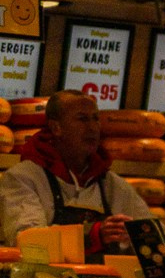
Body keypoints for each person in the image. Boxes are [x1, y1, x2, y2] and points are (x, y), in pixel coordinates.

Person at [0, 90, 151, 253]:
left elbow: (153, 235)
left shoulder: (113, 185)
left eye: (95, 119)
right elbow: (28, 242)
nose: (93, 127)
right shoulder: (23, 178)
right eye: (82, 119)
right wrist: (92, 235)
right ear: (56, 127)